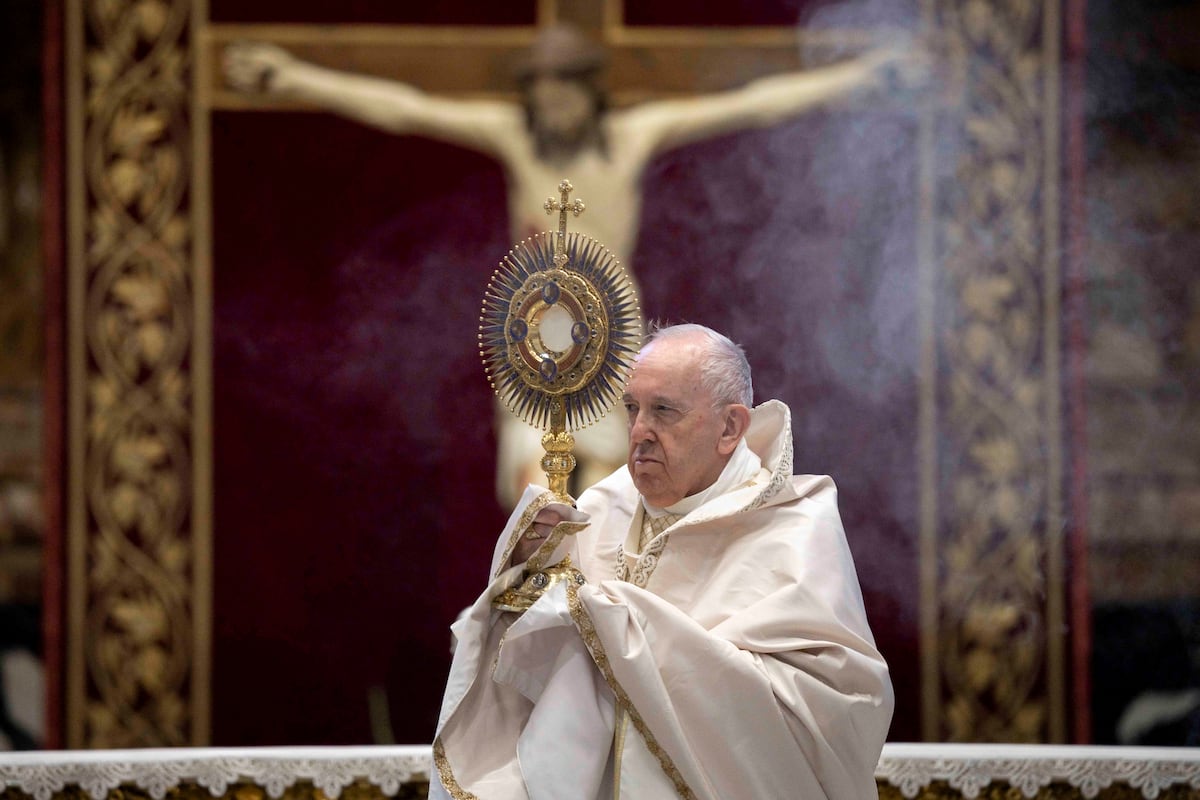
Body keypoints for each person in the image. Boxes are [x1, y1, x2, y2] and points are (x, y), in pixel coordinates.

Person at [223, 25, 909, 508]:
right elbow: (405, 109)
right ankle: (541, 599)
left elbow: (752, 102)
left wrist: (855, 77)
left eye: (565, 89)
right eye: (542, 90)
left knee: (614, 476)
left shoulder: (633, 137)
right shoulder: (516, 137)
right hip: (535, 325)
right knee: (533, 480)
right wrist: (291, 74)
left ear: (589, 92)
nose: (551, 103)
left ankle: (604, 604)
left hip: (612, 320)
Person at [430, 324, 893, 799]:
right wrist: (525, 572)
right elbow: (526, 670)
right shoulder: (603, 506)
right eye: (632, 408)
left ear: (730, 427)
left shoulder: (794, 526)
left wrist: (617, 621)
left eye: (664, 411)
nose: (638, 433)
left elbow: (837, 709)